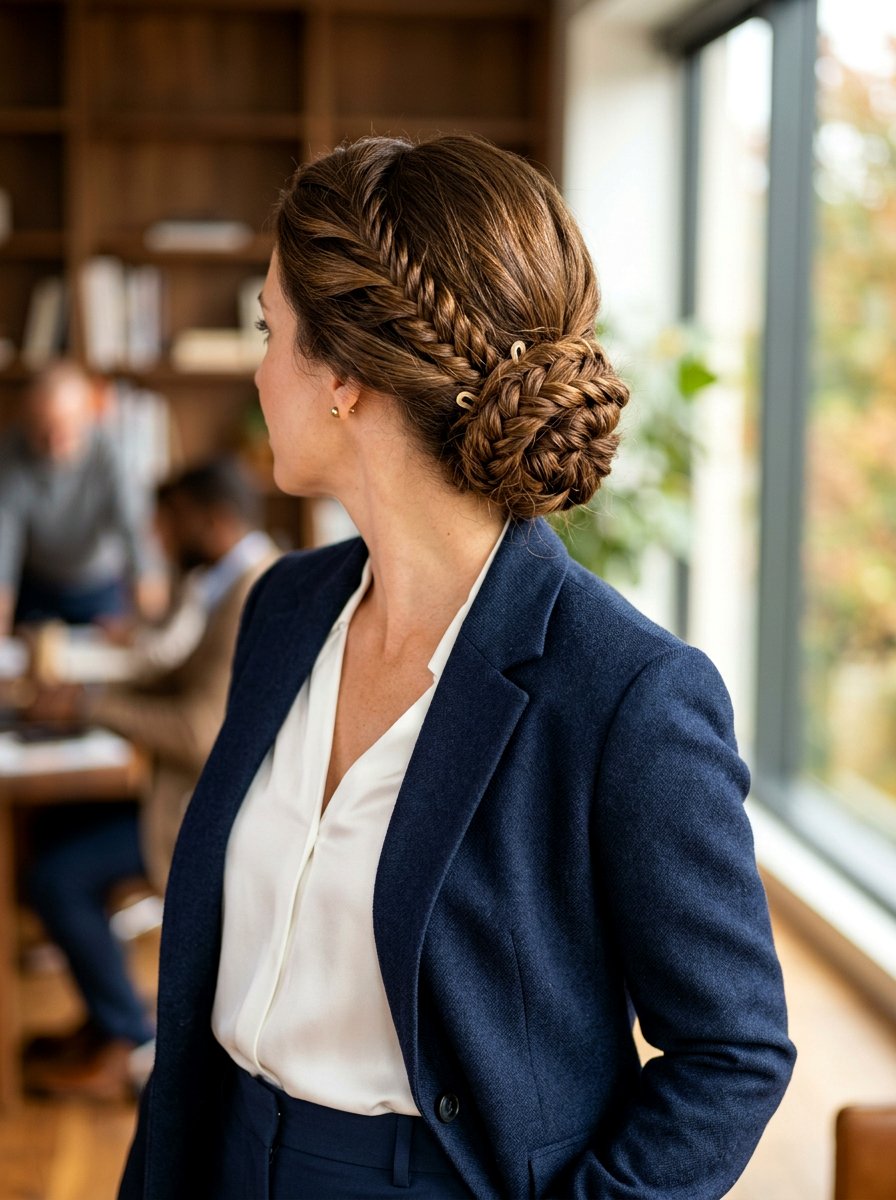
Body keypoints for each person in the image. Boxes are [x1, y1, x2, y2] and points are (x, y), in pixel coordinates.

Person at [119, 135, 795, 1200]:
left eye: (268, 330)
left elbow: (733, 1052)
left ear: (343, 376)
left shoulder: (623, 692)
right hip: (216, 1152)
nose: (257, 369)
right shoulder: (285, 611)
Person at [24, 458, 279, 1102]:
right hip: (183, 794)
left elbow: (198, 731)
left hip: (200, 813)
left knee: (55, 875)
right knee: (47, 832)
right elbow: (178, 677)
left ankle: (129, 1038)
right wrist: (87, 689)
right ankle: (106, 1021)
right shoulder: (230, 579)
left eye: (171, 525)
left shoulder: (252, 587)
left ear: (211, 520)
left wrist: (89, 705)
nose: (159, 539)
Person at [0, 360, 165, 635]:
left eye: (62, 429)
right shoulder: (9, 456)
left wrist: (148, 597)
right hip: (36, 587)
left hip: (99, 586)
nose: (53, 443)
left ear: (86, 419)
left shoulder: (112, 457)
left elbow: (136, 531)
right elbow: (3, 542)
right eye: (43, 430)